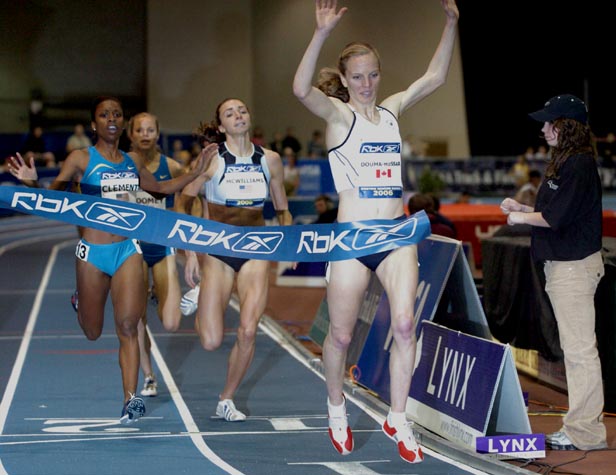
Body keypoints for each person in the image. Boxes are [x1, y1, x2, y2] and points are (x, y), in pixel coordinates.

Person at [293, 0, 459, 463]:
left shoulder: (390, 113)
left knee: (406, 324)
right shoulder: (338, 117)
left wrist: (450, 23)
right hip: (351, 240)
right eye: (358, 77)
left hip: (394, 235)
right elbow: (300, 87)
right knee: (341, 337)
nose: (366, 85)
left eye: (372, 75)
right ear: (344, 80)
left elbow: (435, 78)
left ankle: (398, 418)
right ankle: (335, 406)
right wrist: (321, 33)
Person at [7, 96, 215, 424]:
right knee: (92, 331)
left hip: (127, 250)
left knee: (129, 326)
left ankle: (130, 398)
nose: (112, 118)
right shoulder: (80, 158)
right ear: (94, 125)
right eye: (104, 115)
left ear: (122, 122)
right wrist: (32, 181)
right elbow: (53, 197)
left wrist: (196, 172)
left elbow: (160, 188)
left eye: (117, 114)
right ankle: (82, 298)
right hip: (93, 253)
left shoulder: (131, 161)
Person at [500, 94, 606, 451]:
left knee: (579, 352)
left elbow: (554, 219)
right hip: (565, 266)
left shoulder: (577, 165)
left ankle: (585, 433)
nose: (544, 129)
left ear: (567, 126)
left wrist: (518, 217)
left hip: (573, 268)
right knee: (576, 350)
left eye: (550, 123)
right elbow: (556, 212)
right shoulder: (567, 163)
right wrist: (522, 207)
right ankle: (582, 428)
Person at [176, 97, 292, 422]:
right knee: (211, 341)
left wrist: (289, 244)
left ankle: (226, 398)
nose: (238, 115)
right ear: (221, 126)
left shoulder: (270, 159)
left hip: (256, 249)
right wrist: (190, 253)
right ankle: (204, 296)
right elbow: (183, 201)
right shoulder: (212, 160)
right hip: (218, 249)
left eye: (242, 110)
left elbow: (282, 208)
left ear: (249, 118)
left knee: (247, 331)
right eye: (230, 113)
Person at [127, 112, 186, 397]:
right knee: (136, 317)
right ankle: (149, 375)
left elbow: (191, 201)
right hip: (132, 249)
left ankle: (158, 292)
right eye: (140, 130)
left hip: (162, 247)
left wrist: (196, 254)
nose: (146, 134)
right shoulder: (120, 167)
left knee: (172, 321)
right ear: (132, 135)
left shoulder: (172, 167)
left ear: (158, 134)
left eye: (151, 129)